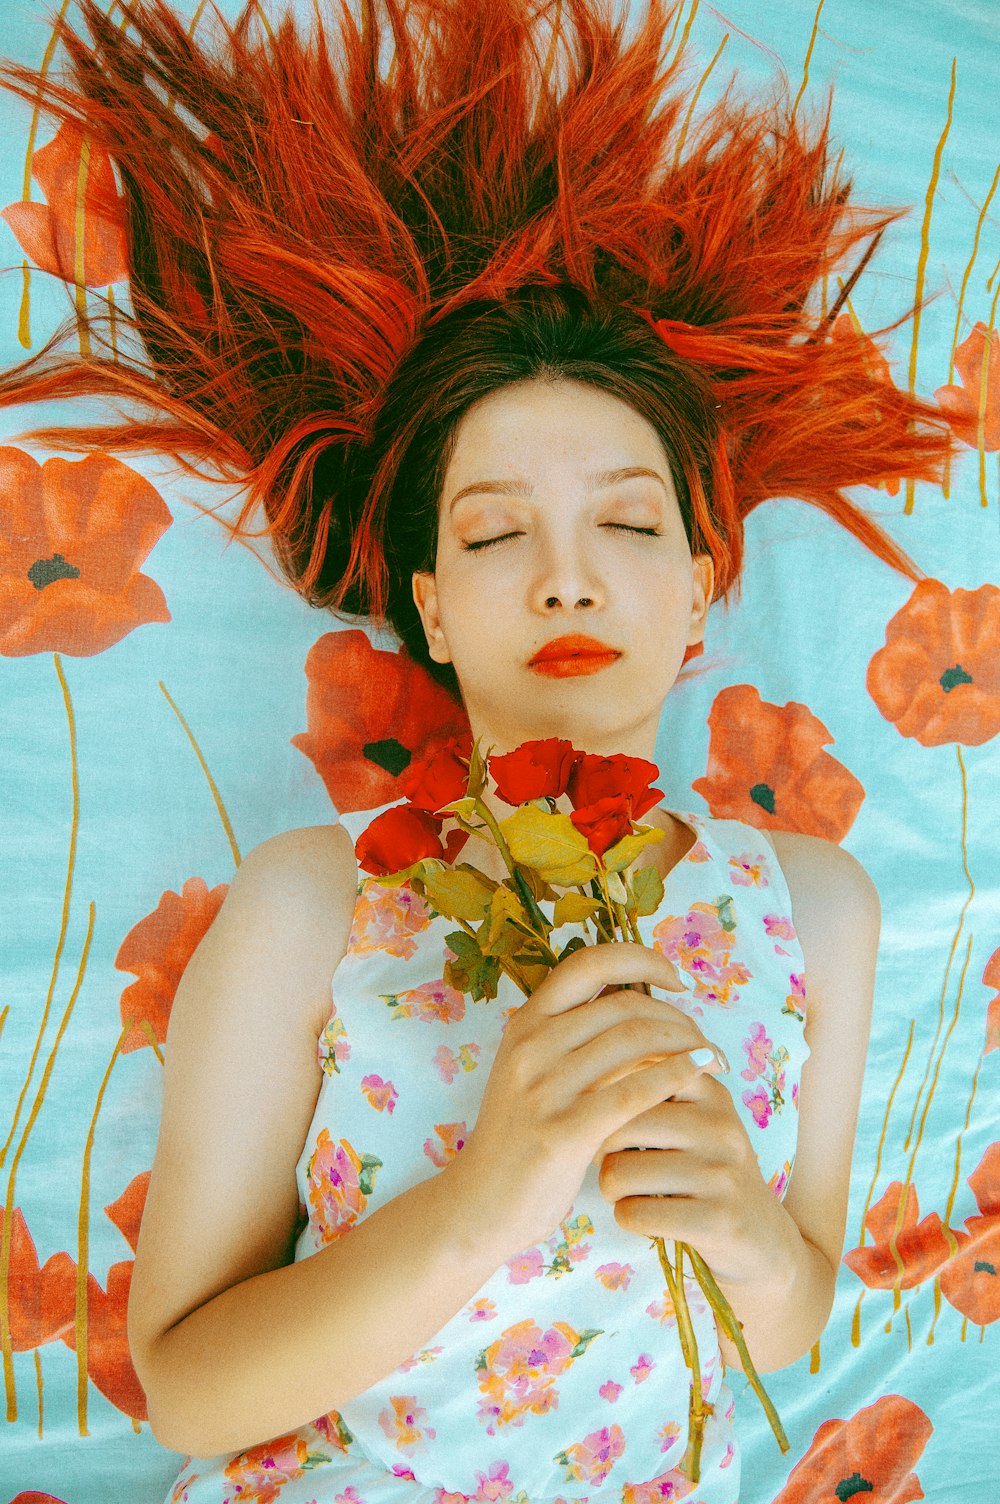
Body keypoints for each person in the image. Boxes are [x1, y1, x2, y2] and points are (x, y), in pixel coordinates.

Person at [0, 2, 956, 1499]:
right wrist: (491, 1193)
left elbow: (793, 1319)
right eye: (497, 531)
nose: (566, 577)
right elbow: (187, 1394)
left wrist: (756, 1239)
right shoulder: (320, 901)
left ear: (705, 584)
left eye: (630, 523)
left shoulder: (817, 903)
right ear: (432, 608)